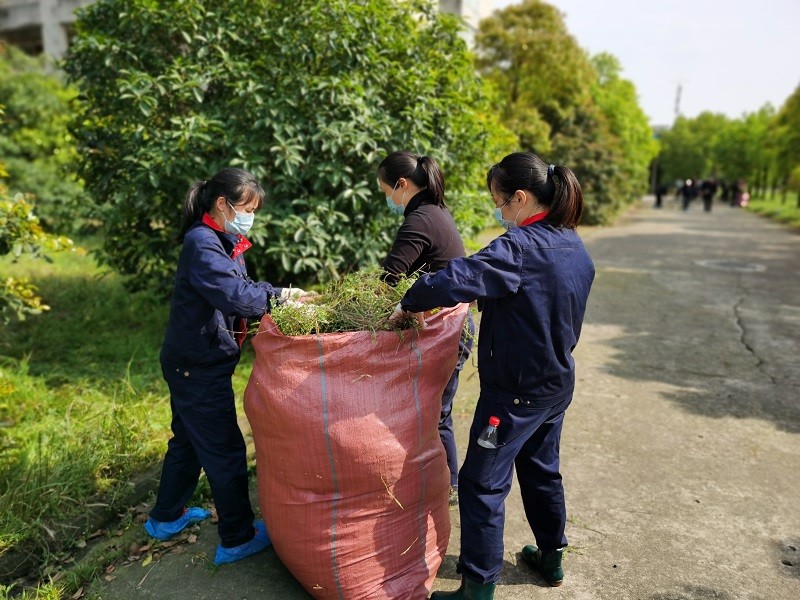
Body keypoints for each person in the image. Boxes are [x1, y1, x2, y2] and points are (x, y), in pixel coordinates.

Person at [391, 152, 594, 599]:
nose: (499, 211)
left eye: (499, 202)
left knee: (482, 484)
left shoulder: (518, 247)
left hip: (514, 395)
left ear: (520, 198)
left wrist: (410, 300)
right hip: (555, 385)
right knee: (542, 471)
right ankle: (552, 557)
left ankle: (478, 588)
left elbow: (457, 277)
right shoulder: (574, 244)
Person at [144, 168, 306, 565]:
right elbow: (235, 297)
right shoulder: (203, 243)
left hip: (191, 360)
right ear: (222, 204)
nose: (251, 217)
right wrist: (282, 303)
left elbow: (244, 288)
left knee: (187, 441)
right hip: (197, 366)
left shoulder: (222, 239)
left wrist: (284, 293)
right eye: (247, 209)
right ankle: (237, 537)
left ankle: (165, 518)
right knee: (225, 451)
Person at [377, 151, 474, 507]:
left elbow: (389, 278)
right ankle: (443, 481)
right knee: (435, 411)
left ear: (401, 185)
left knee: (436, 414)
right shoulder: (435, 211)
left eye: (386, 191)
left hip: (446, 329)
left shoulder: (419, 220)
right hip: (450, 326)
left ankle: (450, 485)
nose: (388, 198)